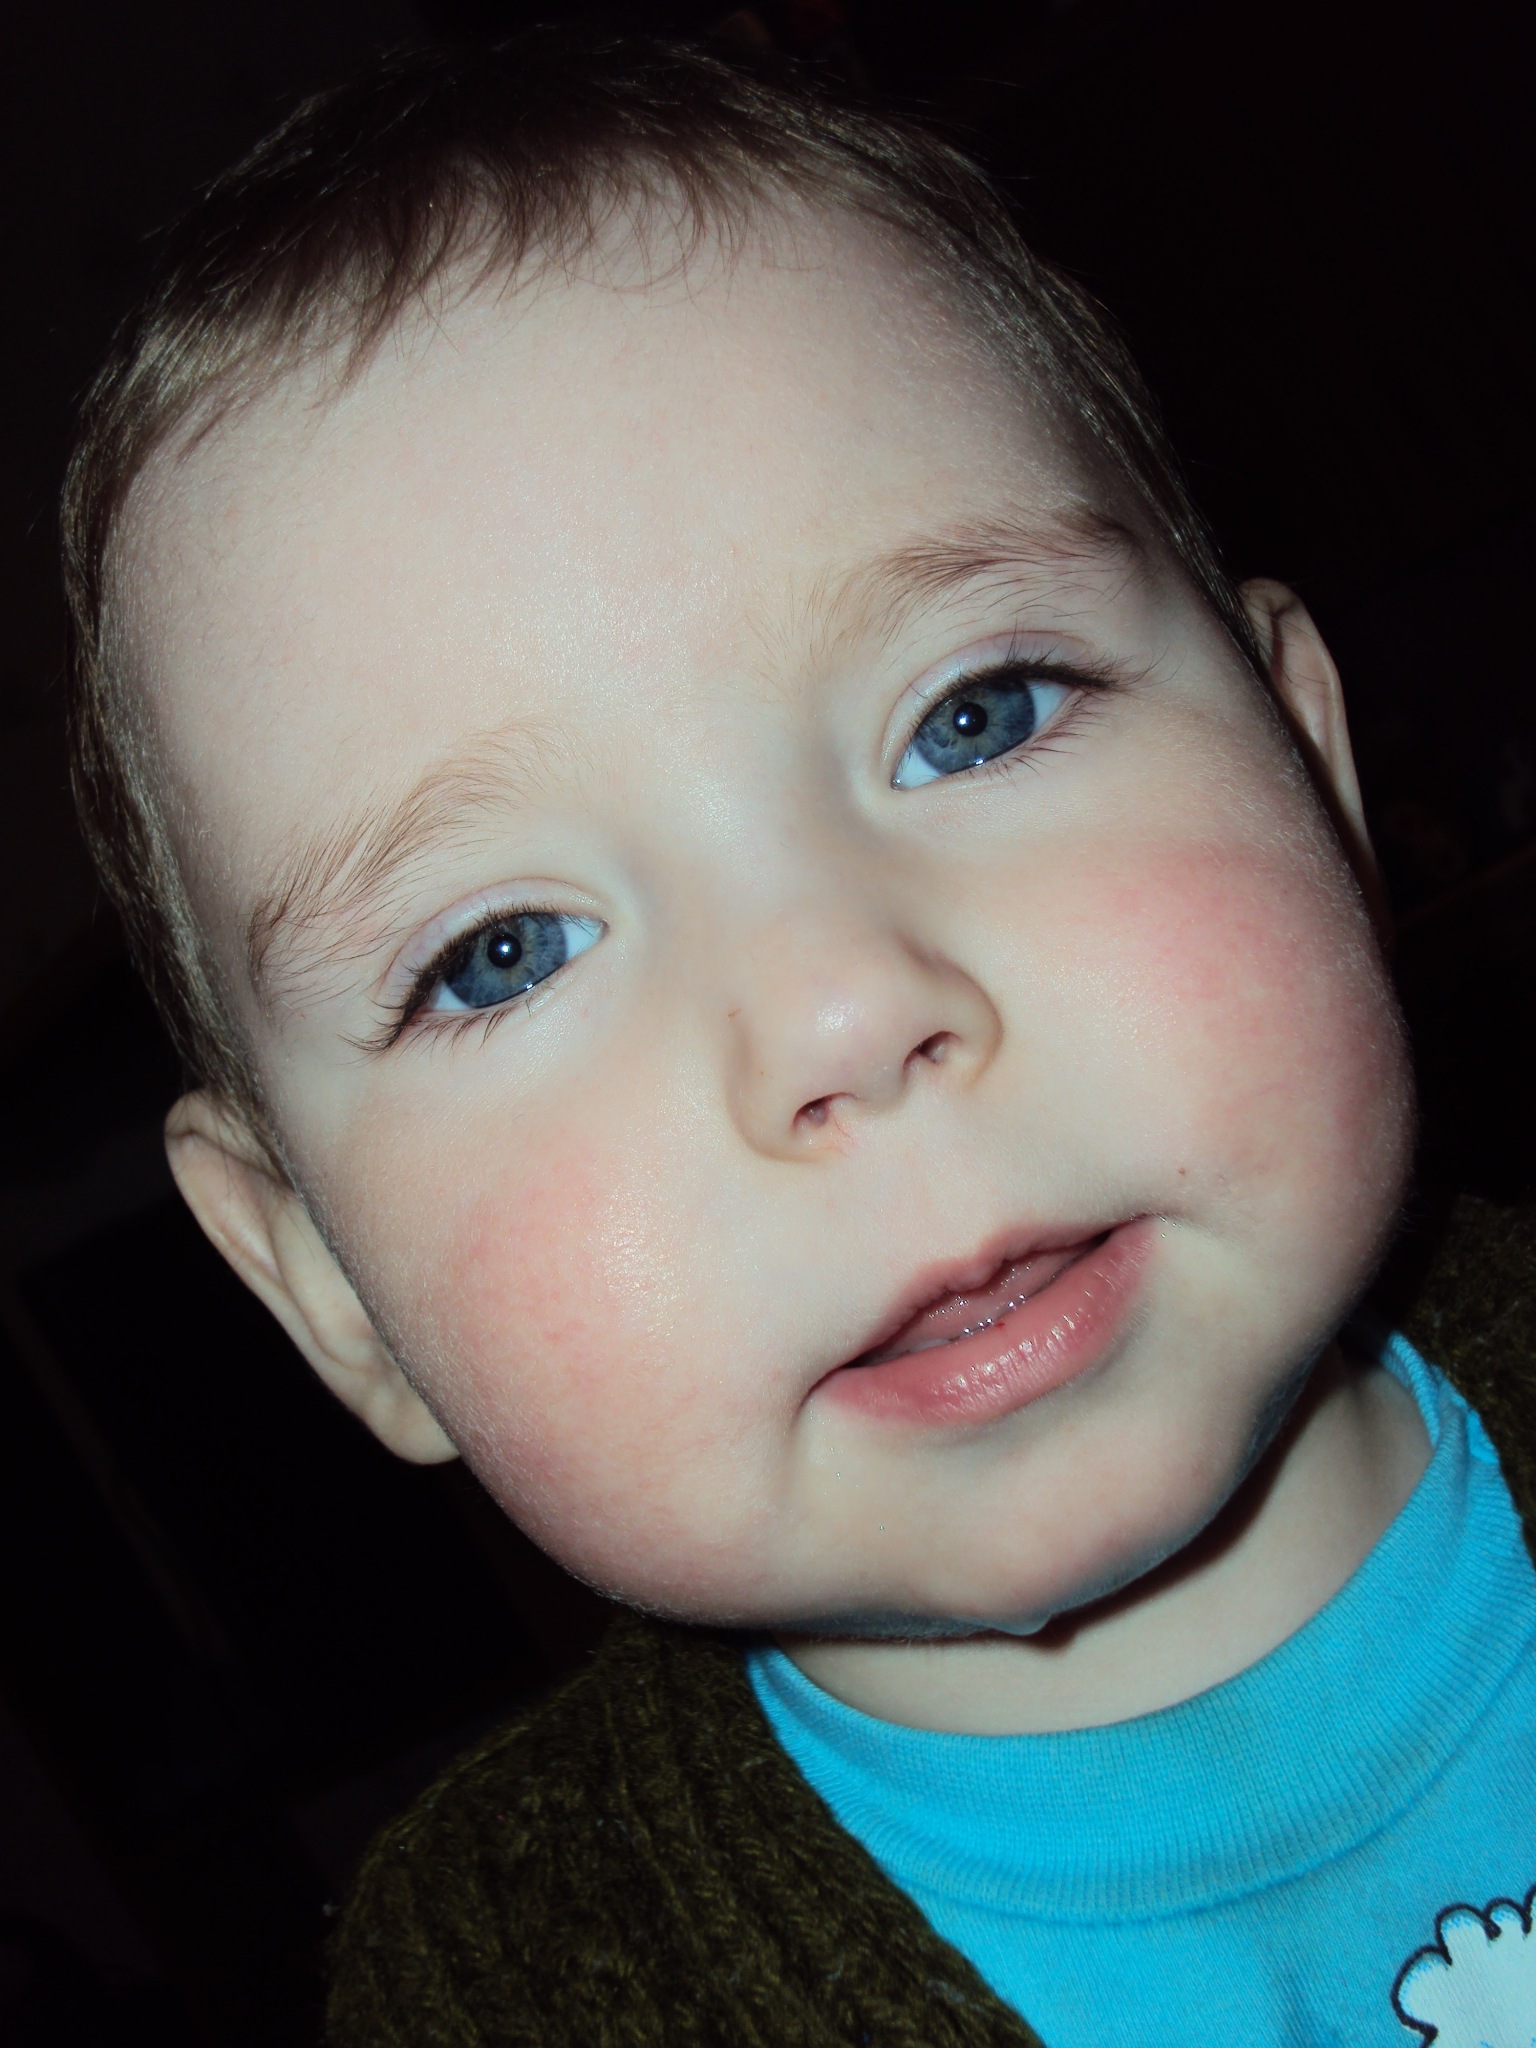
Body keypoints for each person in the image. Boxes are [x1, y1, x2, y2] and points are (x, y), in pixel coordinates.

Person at [61, 28, 1536, 2046]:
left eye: (975, 716)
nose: (843, 1011)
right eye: (502, 952)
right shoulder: (499, 2003)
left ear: (1314, 767)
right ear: (325, 1283)